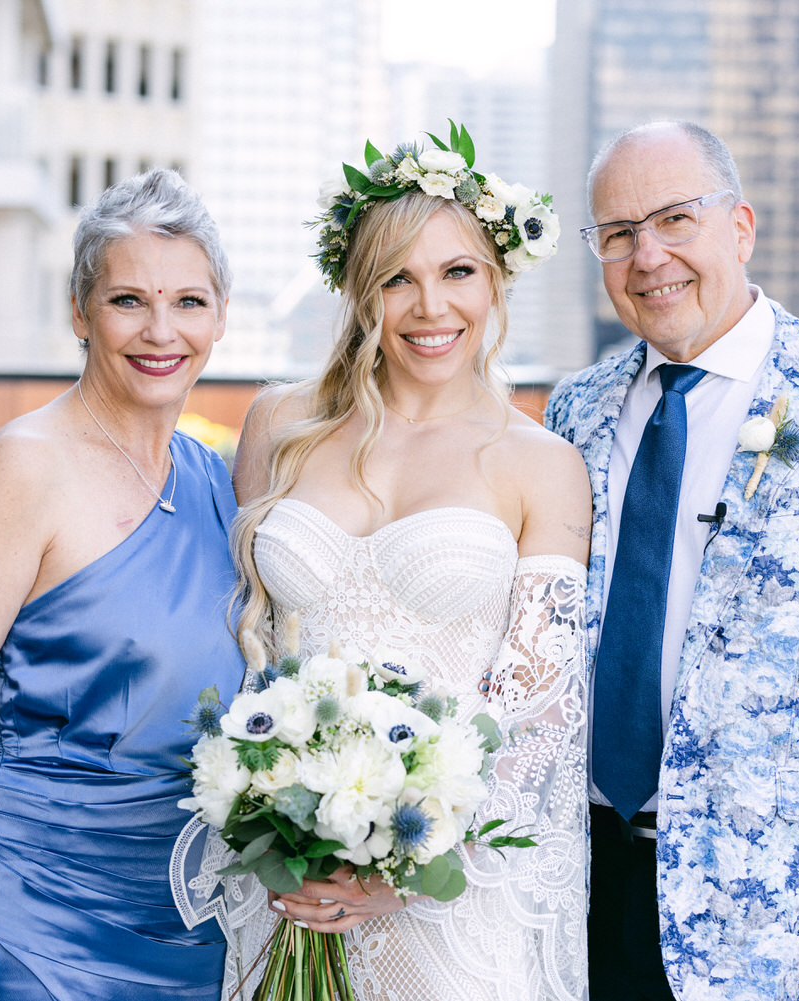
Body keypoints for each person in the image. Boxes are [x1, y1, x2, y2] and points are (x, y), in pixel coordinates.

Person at [545, 121, 799, 1001]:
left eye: (673, 221)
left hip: (767, 930)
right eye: (617, 235)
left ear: (740, 227)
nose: (647, 256)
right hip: (567, 900)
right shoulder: (572, 412)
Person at [218, 130, 592, 1000]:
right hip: (290, 882)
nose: (431, 307)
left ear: (497, 279)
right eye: (398, 278)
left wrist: (409, 868)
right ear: (360, 292)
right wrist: (276, 817)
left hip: (449, 899)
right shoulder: (280, 425)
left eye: (458, 272)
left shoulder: (541, 463)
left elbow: (538, 719)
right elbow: (247, 653)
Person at [0, 168, 245, 1001]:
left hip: (194, 919)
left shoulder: (213, 479)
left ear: (222, 316)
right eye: (128, 300)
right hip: (42, 916)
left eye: (189, 302)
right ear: (79, 311)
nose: (161, 330)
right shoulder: (25, 469)